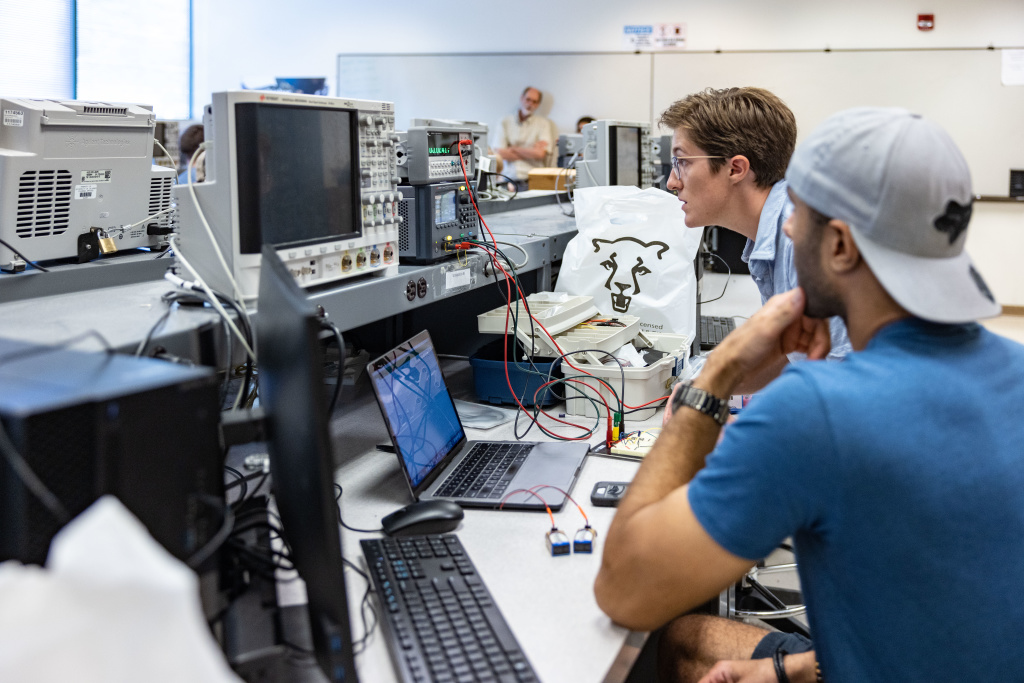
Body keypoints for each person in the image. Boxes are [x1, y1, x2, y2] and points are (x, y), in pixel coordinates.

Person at [593, 107, 1024, 682]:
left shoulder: (817, 409)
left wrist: (716, 377)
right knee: (688, 641)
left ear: (841, 246)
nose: (788, 228)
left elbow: (626, 591)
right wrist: (790, 670)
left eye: (799, 213)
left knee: (660, 638)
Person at [662, 88, 851, 389]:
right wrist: (707, 389)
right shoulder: (776, 232)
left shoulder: (802, 243)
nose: (672, 182)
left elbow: (844, 382)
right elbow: (797, 356)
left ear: (736, 168)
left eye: (682, 162)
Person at [494, 87, 555, 189]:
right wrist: (531, 152)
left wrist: (514, 149)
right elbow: (499, 153)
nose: (530, 104)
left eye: (534, 102)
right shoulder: (505, 122)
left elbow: (540, 154)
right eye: (528, 99)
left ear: (538, 104)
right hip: (508, 179)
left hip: (533, 180)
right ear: (522, 98)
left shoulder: (543, 124)